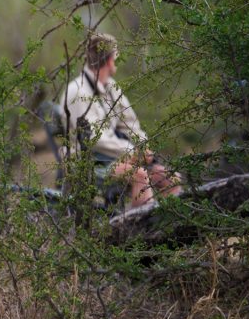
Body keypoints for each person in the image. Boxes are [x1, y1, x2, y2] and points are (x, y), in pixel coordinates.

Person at [60, 33, 181, 207]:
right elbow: (95, 141)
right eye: (115, 56)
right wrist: (132, 152)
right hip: (89, 164)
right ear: (109, 60)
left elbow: (131, 125)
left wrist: (144, 148)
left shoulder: (111, 87)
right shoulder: (77, 92)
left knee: (170, 177)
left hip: (117, 157)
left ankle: (172, 230)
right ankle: (139, 231)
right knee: (140, 175)